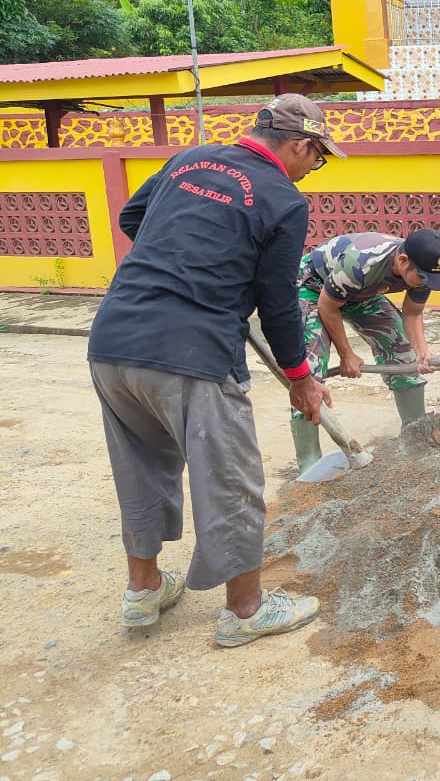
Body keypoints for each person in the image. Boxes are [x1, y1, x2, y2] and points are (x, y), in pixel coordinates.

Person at [87, 93, 338, 647]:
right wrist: (301, 378)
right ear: (300, 144)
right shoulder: (283, 199)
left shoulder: (191, 159)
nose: (312, 169)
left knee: (140, 469)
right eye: (316, 158)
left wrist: (184, 254)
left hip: (113, 340)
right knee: (230, 479)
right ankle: (246, 610)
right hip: (192, 353)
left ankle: (143, 592)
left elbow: (134, 217)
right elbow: (276, 302)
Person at [293, 227, 440, 468]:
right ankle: (309, 459)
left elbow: (412, 314)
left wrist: (422, 354)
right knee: (311, 364)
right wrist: (347, 354)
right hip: (314, 285)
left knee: (402, 350)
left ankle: (415, 433)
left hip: (361, 292)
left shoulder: (424, 267)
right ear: (402, 261)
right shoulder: (360, 264)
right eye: (422, 278)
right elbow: (327, 307)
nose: (426, 284)